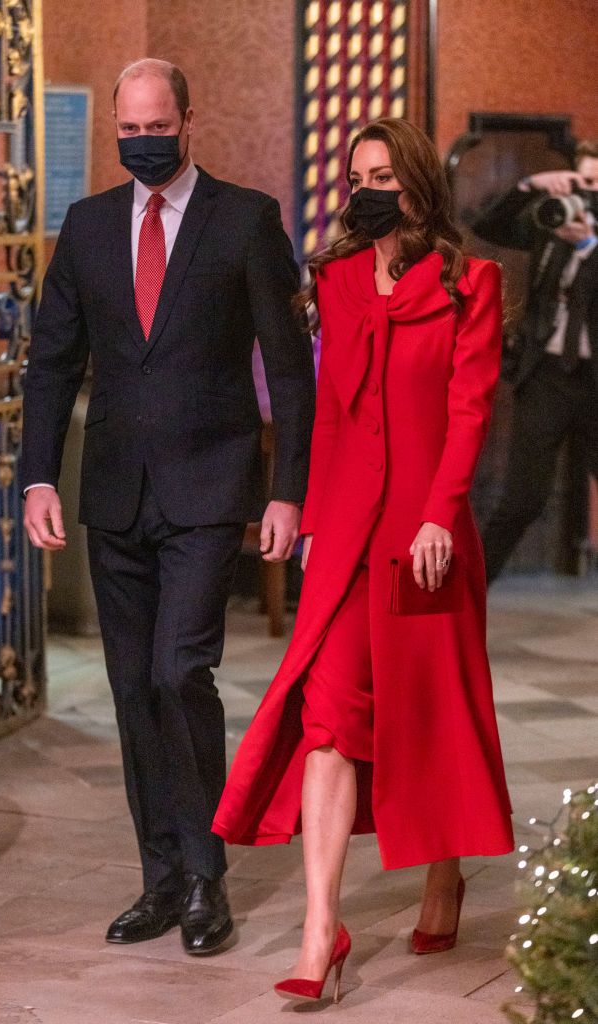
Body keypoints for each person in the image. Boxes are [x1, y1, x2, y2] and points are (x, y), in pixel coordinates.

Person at [212, 117, 514, 1003]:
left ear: (418, 183)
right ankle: (321, 932)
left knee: (433, 711)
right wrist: (312, 523)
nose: (367, 190)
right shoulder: (336, 279)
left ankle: (443, 877)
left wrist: (438, 517)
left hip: (426, 539)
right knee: (329, 720)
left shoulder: (471, 283)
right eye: (357, 176)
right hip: (346, 538)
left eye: (383, 175)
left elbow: (469, 411)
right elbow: (331, 414)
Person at [21, 59, 315, 955]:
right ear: (115, 126)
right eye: (129, 129)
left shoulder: (246, 219)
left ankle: (203, 874)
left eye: (157, 127)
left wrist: (287, 491)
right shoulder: (88, 225)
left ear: (189, 121)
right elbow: (52, 362)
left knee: (177, 671)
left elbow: (288, 366)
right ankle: (158, 876)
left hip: (207, 488)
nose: (142, 141)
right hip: (115, 491)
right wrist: (38, 477)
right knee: (129, 688)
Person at [471, 141, 598, 583]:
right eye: (583, 181)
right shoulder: (552, 222)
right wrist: (530, 186)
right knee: (521, 500)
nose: (587, 193)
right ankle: (467, 596)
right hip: (546, 376)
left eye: (596, 184)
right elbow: (488, 226)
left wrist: (589, 245)